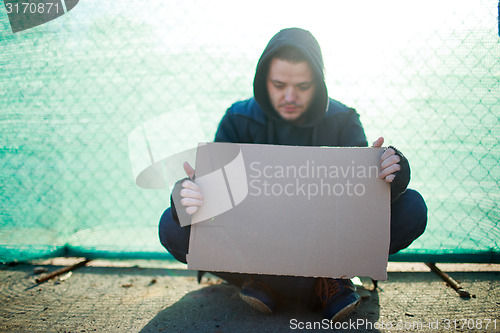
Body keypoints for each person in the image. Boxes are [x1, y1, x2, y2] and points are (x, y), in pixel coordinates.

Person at [159, 27, 427, 322]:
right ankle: (313, 285)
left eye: (302, 85)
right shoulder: (238, 119)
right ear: (264, 81)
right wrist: (188, 195)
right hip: (255, 247)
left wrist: (393, 170)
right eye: (278, 84)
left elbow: (363, 203)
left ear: (318, 83)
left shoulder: (343, 119)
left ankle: (284, 284)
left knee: (412, 207)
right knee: (171, 226)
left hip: (328, 247)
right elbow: (213, 200)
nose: (290, 96)